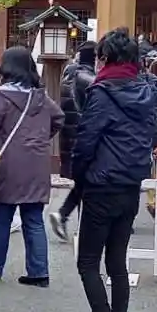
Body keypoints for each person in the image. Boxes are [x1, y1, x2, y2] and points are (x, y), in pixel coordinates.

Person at [71, 28, 157, 312]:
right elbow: (153, 136)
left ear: (105, 58)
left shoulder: (102, 92)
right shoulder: (147, 90)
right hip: (130, 184)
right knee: (117, 261)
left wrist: (78, 176)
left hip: (101, 184)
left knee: (88, 262)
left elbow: (86, 141)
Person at [0, 47, 63, 287]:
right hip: (37, 163)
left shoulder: (1, 97)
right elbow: (58, 118)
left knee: (2, 218)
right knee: (34, 219)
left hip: (10, 164)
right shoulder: (41, 97)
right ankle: (39, 272)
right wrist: (40, 137)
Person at [51, 42, 97, 241]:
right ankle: (72, 220)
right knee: (86, 183)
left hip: (67, 137)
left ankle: (64, 215)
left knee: (82, 182)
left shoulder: (68, 76)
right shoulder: (88, 79)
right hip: (82, 136)